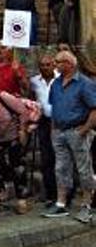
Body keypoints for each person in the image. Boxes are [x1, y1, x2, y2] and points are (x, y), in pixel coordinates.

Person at [43, 51, 96, 223]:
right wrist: (53, 130)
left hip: (77, 130)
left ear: (69, 64)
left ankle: (86, 204)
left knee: (83, 168)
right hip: (59, 131)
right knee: (61, 168)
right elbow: (54, 108)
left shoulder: (84, 84)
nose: (55, 64)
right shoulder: (56, 84)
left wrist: (85, 129)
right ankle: (61, 203)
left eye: (58, 62)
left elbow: (94, 108)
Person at [0, 85, 35, 204]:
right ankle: (0, 192)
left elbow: (23, 111)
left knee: (17, 166)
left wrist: (22, 130)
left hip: (13, 136)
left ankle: (22, 198)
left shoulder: (1, 96)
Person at [30, 55, 58, 204]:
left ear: (53, 65)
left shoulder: (60, 79)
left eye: (47, 65)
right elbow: (32, 98)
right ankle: (50, 194)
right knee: (46, 158)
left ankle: (63, 192)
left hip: (60, 121)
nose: (45, 67)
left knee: (59, 157)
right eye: (42, 65)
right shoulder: (34, 81)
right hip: (44, 122)